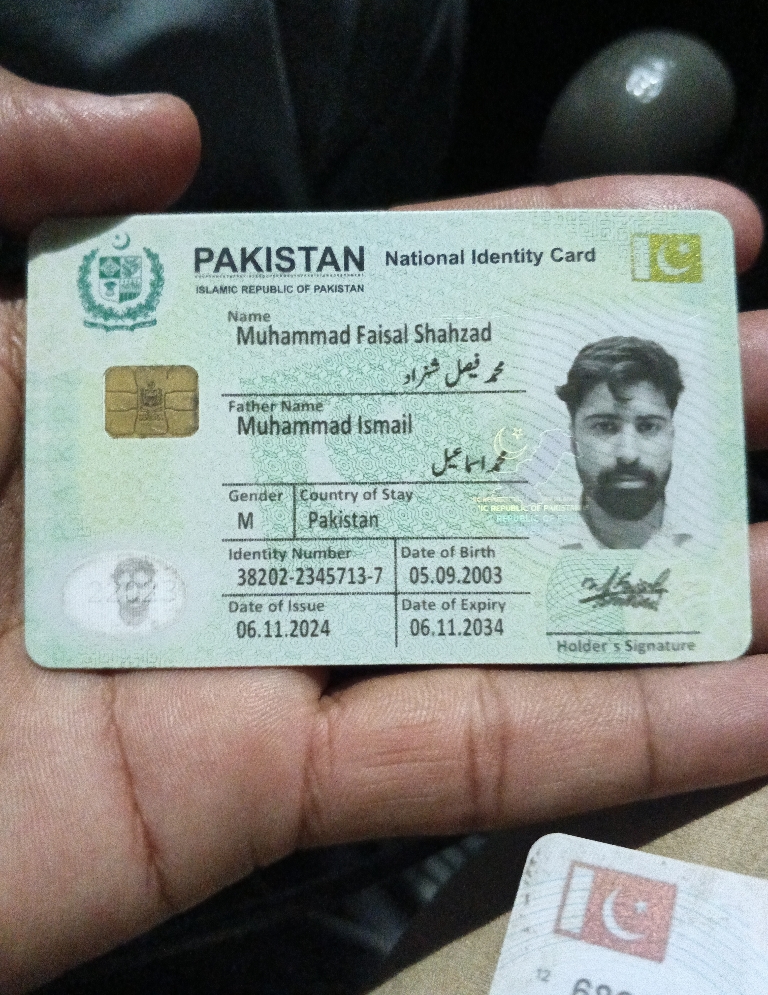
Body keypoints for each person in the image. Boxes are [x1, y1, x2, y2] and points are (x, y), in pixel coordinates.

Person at [3, 67, 768, 994]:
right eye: (605, 422)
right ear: (567, 427)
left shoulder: (651, 566)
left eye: (649, 423)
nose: (629, 448)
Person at [556, 335, 691, 550]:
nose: (628, 454)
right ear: (573, 438)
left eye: (648, 427)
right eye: (605, 427)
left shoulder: (719, 545)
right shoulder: (533, 550)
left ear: (671, 435)